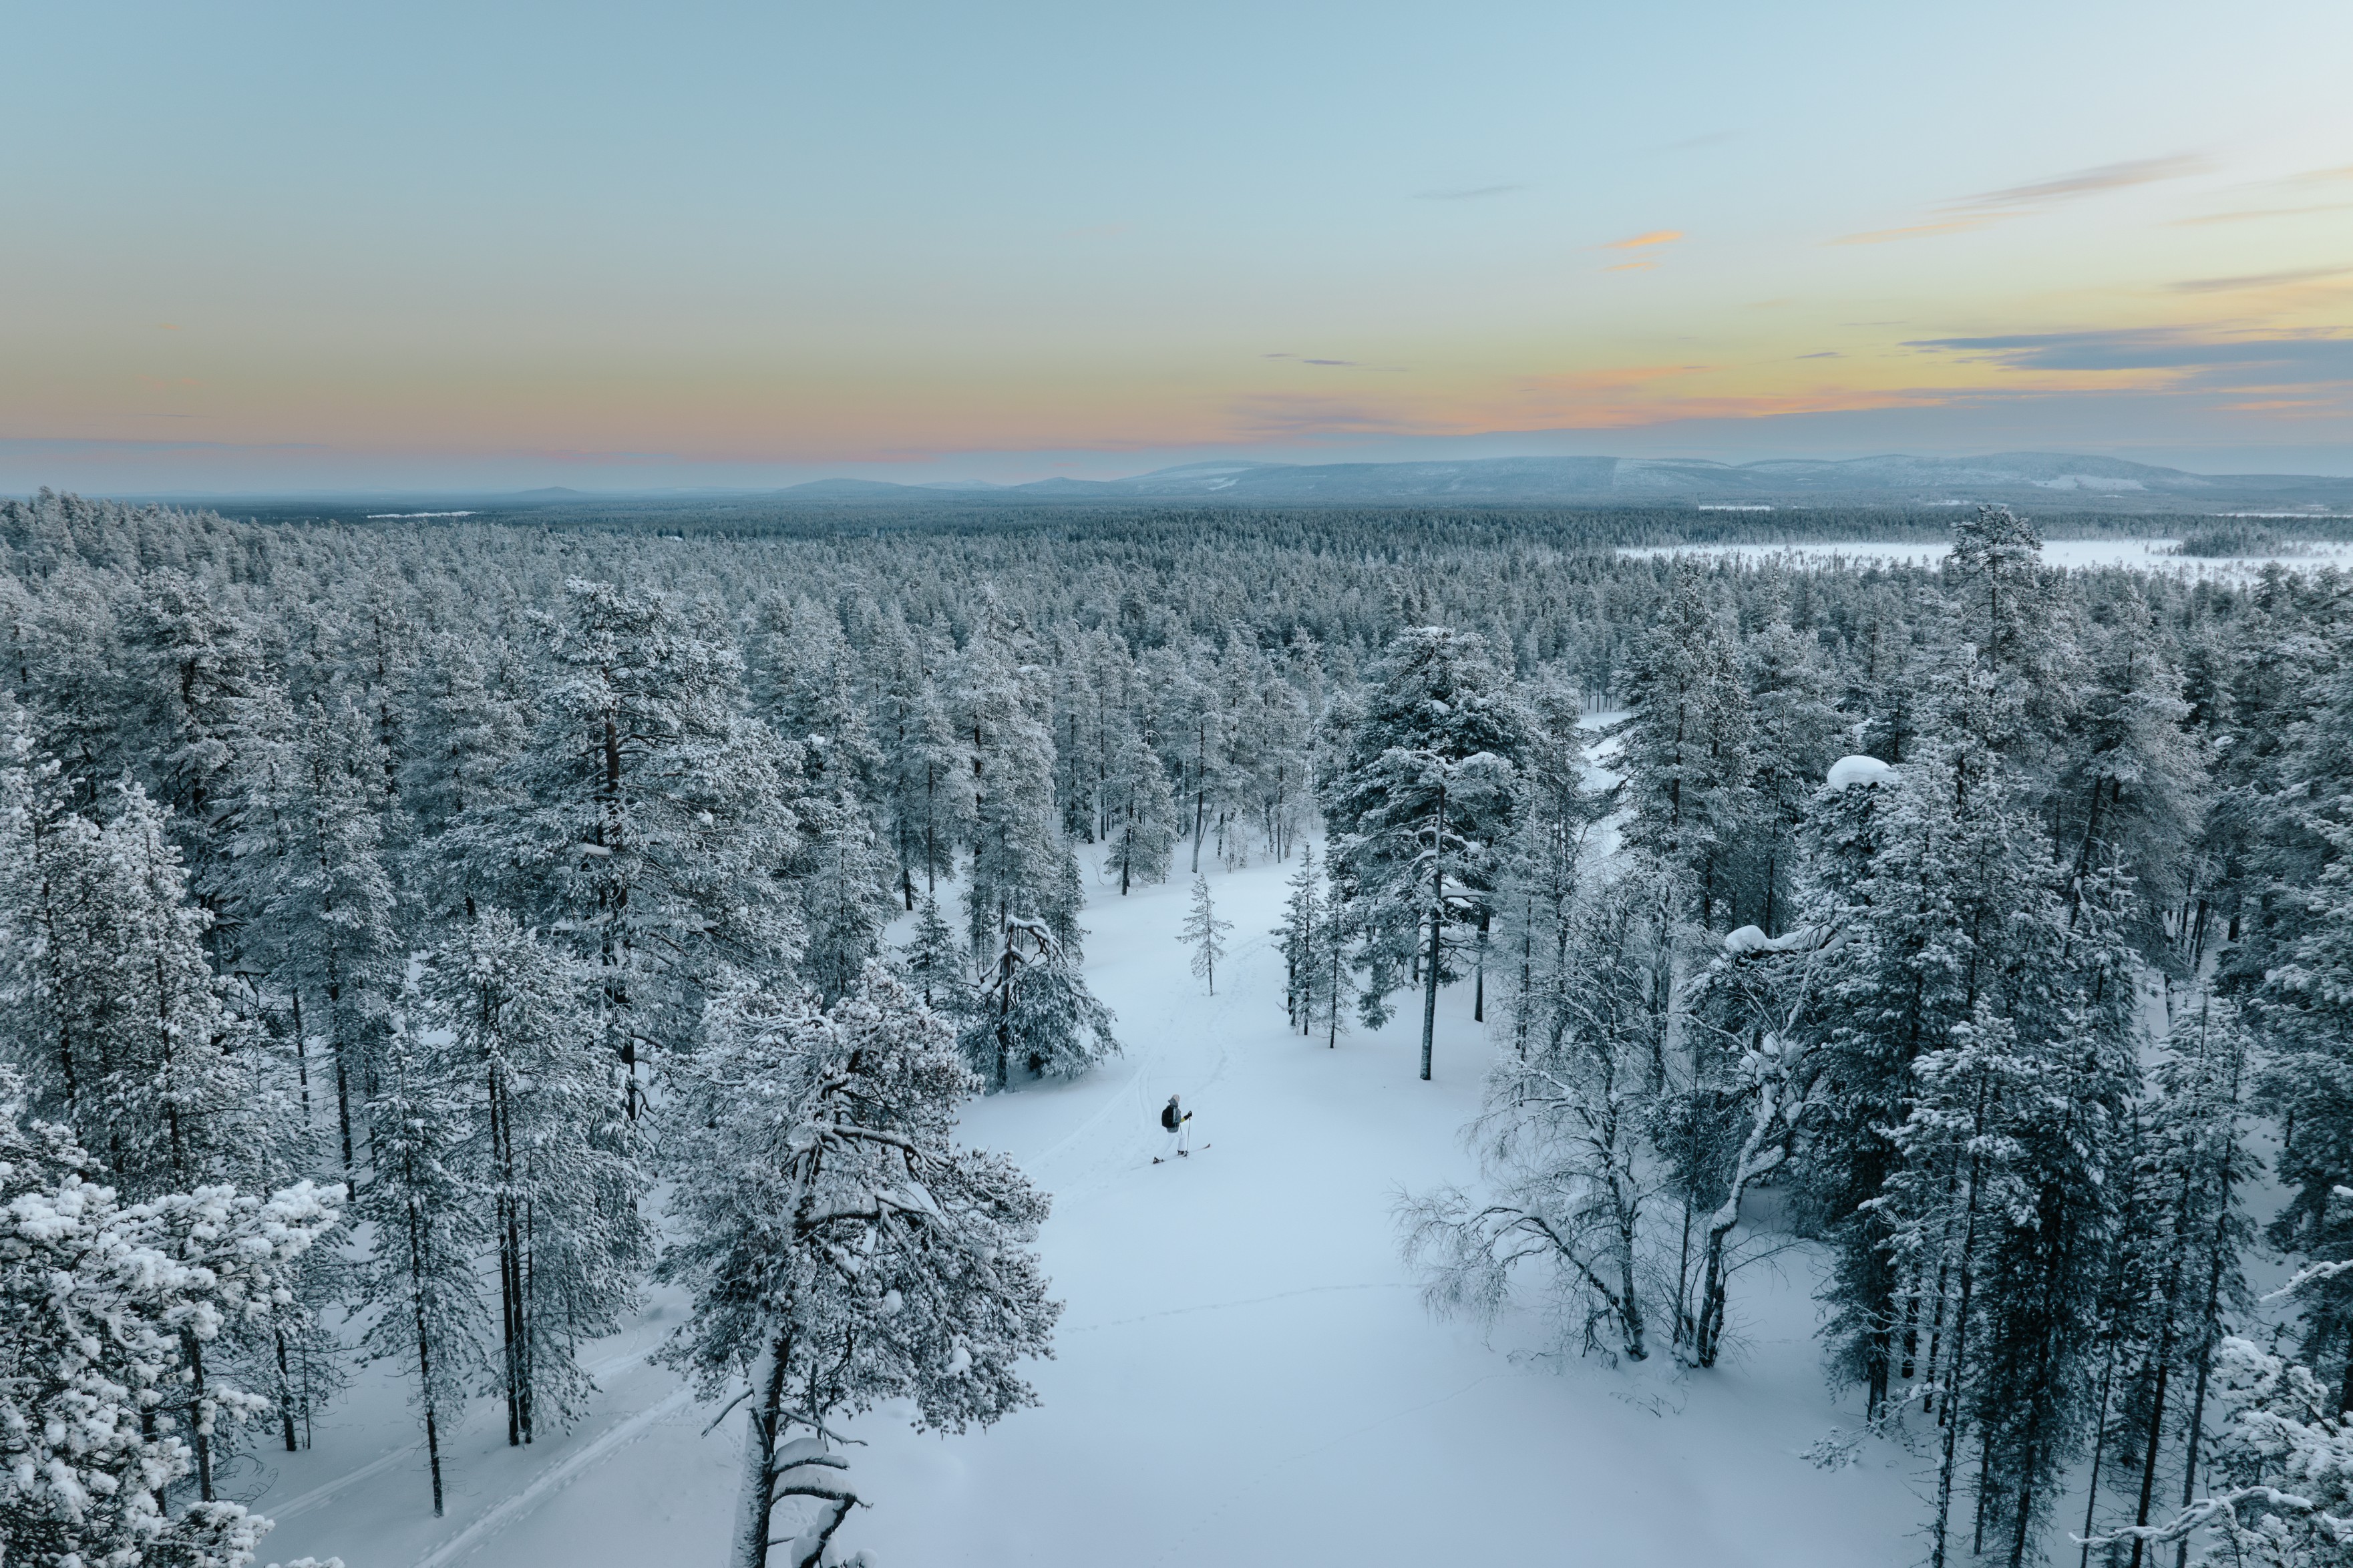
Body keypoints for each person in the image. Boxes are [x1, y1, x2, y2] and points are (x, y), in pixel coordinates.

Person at [1155, 1094, 1192, 1162]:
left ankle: (1181, 1151)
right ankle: (1157, 1158)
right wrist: (1187, 1116)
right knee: (1167, 1144)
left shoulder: (1168, 1107)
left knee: (1183, 1136)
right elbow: (1179, 1121)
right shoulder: (1176, 1110)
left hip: (1171, 1129)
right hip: (1174, 1131)